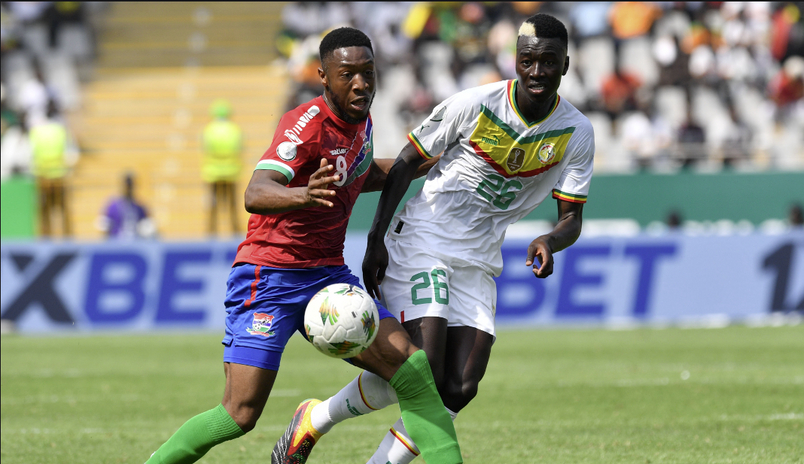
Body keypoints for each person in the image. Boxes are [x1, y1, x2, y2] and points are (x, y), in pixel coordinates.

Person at [273, 14, 595, 464]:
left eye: (548, 62)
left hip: (479, 258)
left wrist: (550, 239)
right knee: (420, 366)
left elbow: (571, 218)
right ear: (515, 61)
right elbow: (404, 164)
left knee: (460, 386)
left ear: (565, 64)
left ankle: (316, 416)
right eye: (528, 61)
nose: (537, 71)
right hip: (424, 238)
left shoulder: (576, 133)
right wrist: (376, 239)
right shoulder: (475, 104)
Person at [145, 27, 462, 464]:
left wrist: (433, 159)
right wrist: (302, 195)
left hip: (328, 276)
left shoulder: (362, 122)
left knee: (411, 367)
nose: (361, 84)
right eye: (347, 74)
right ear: (323, 77)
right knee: (239, 414)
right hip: (269, 277)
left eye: (368, 73)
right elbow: (256, 191)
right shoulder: (305, 124)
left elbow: (361, 175)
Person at [29, 100, 75, 238]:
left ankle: (46, 239)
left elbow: (30, 154)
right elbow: (71, 154)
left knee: (44, 213)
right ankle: (68, 239)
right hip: (59, 177)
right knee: (63, 212)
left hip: (42, 178)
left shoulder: (36, 131)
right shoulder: (61, 130)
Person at [202, 99, 243, 237]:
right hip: (231, 172)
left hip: (212, 173)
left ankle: (211, 234)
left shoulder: (209, 129)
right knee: (232, 207)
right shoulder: (234, 129)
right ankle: (236, 233)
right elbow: (239, 148)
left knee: (213, 207)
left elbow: (206, 149)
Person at [96, 172, 155, 240]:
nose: (128, 189)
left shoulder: (139, 207)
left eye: (130, 186)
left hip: (136, 243)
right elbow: (105, 227)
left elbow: (147, 225)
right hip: (116, 243)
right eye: (127, 186)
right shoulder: (113, 206)